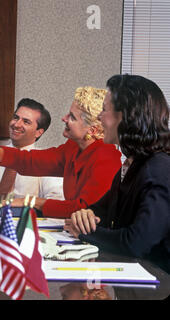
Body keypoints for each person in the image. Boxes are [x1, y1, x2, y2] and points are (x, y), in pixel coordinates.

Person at [0, 86, 122, 218]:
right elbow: (30, 162)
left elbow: (84, 209)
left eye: (72, 117)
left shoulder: (107, 156)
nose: (64, 119)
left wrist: (30, 201)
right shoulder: (73, 147)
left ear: (92, 130)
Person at [65, 74, 170, 272]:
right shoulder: (132, 166)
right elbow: (99, 211)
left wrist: (85, 232)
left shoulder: (159, 169)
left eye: (104, 110)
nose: (98, 117)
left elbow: (136, 243)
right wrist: (85, 215)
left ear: (126, 116)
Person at [0, 98, 64, 207]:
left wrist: (25, 202)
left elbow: (56, 201)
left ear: (38, 132)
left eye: (26, 122)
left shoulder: (45, 162)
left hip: (25, 221)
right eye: (16, 118)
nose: (16, 124)